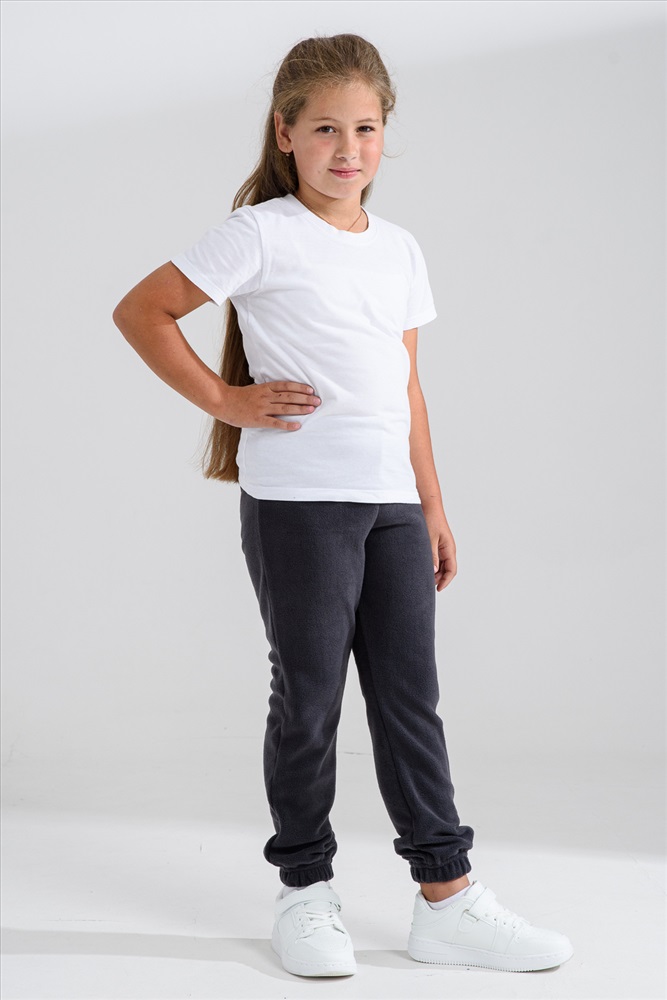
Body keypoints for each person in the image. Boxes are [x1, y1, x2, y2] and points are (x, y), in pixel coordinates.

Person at [113, 32, 574, 981]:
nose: (347, 148)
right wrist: (227, 401)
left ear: (383, 135)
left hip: (390, 505)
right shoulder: (261, 232)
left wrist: (431, 505)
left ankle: (446, 897)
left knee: (410, 698)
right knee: (310, 697)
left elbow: (406, 387)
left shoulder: (398, 249)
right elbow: (141, 310)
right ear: (285, 133)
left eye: (365, 129)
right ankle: (305, 891)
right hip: (300, 503)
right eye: (325, 128)